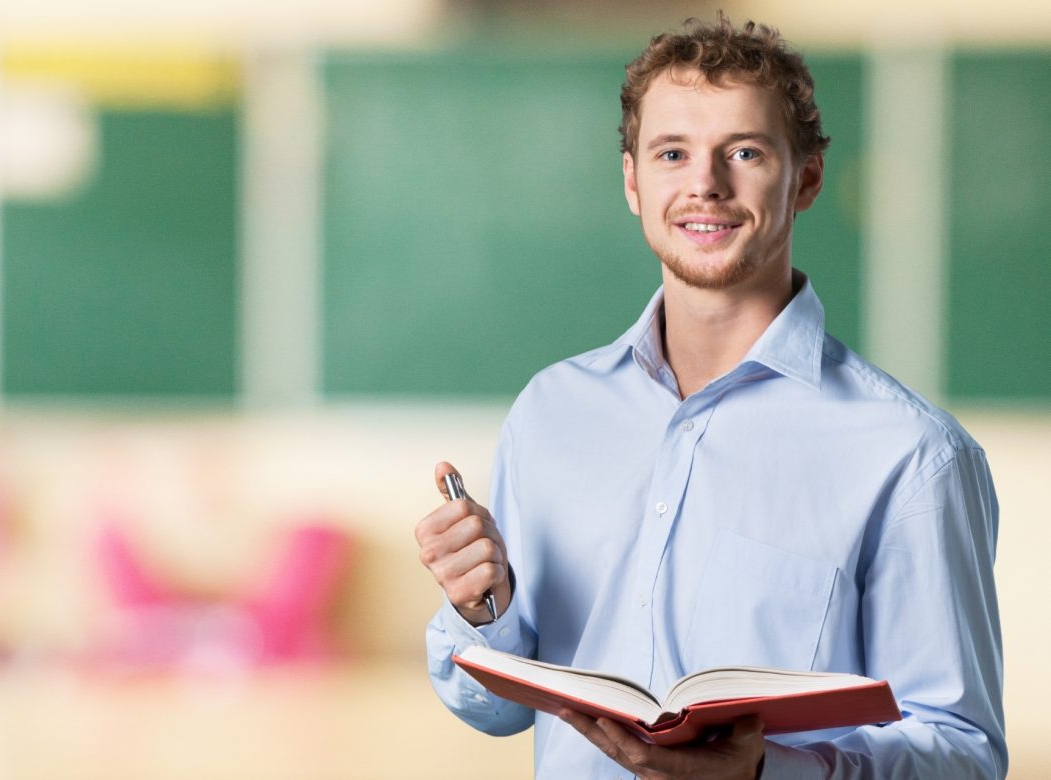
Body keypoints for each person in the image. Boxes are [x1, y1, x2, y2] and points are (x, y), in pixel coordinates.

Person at [415, 15, 1006, 780]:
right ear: (632, 180)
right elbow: (495, 709)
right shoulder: (551, 414)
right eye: (672, 153)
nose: (705, 184)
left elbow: (963, 757)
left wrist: (767, 774)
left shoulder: (913, 457)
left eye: (746, 153)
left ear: (808, 179)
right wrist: (480, 611)